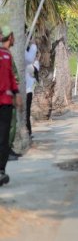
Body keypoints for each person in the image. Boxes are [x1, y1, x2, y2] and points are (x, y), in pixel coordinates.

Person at [0, 26, 22, 186]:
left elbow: (11, 78)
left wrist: (17, 94)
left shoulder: (7, 55)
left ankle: (1, 170)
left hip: (6, 103)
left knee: (4, 137)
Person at [25, 35, 38, 140]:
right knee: (25, 113)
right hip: (24, 90)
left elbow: (33, 72)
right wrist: (33, 45)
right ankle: (27, 132)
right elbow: (29, 59)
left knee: (27, 113)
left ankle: (28, 132)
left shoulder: (34, 63)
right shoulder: (26, 56)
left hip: (28, 90)